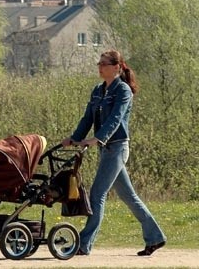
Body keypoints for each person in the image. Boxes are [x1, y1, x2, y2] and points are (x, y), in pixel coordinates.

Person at [62, 49, 166, 257]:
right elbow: (87, 119)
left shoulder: (123, 91)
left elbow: (115, 119)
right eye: (99, 64)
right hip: (105, 149)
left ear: (117, 67)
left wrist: (98, 138)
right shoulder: (98, 91)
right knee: (129, 197)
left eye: (104, 64)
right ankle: (155, 237)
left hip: (117, 148)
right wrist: (74, 138)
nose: (100, 67)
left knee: (97, 194)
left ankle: (83, 244)